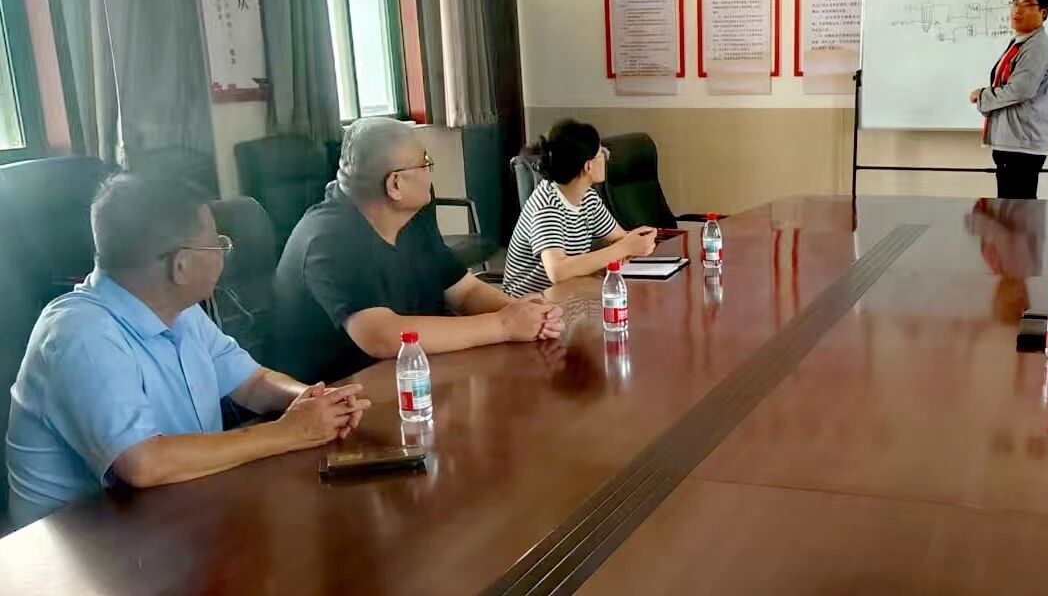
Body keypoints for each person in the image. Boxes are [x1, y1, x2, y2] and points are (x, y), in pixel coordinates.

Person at [6, 174, 370, 528]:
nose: (224, 253)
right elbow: (143, 463)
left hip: (175, 514)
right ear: (180, 266)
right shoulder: (79, 334)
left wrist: (316, 402)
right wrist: (289, 432)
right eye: (217, 244)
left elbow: (252, 383)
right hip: (80, 547)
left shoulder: (178, 310)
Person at [273, 118, 564, 384]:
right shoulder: (328, 238)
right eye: (425, 163)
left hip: (413, 375)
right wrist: (503, 325)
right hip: (338, 394)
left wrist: (523, 313)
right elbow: (381, 335)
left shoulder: (413, 216)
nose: (430, 172)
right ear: (395, 184)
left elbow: (464, 291)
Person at [503, 120, 657, 298]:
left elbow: (620, 239)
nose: (607, 157)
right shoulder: (547, 205)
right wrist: (623, 248)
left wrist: (631, 244)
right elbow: (558, 271)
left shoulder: (588, 197)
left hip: (570, 295)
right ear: (588, 166)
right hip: (529, 304)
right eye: (602, 153)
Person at [969, 0, 1048, 200]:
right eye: (1015, 3)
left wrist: (983, 96)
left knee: (1017, 213)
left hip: (1022, 146)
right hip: (1014, 142)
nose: (1017, 10)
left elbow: (1019, 91)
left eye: (1027, 4)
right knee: (1010, 211)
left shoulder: (1037, 47)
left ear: (1043, 13)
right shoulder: (1022, 42)